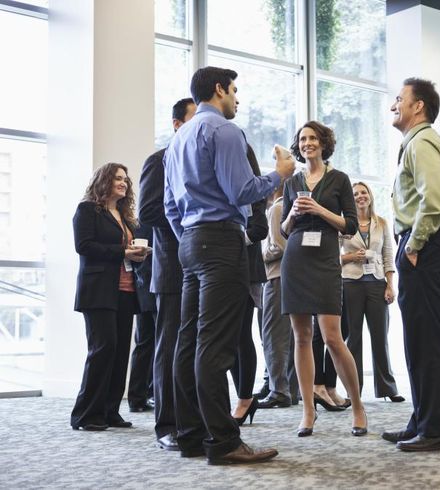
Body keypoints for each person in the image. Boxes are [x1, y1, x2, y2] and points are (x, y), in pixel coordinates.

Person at [164, 66, 295, 465]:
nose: (237, 99)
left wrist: (190, 236)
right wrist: (280, 174)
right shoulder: (224, 131)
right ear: (218, 90)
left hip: (190, 243)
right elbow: (241, 190)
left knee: (188, 341)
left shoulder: (177, 139)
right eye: (234, 90)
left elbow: (171, 207)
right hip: (221, 241)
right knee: (215, 344)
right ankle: (222, 441)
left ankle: (190, 435)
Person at [382, 77, 440, 452]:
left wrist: (413, 246)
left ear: (419, 106)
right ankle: (424, 418)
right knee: (419, 340)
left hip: (424, 247)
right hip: (426, 247)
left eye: (400, 99)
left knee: (428, 341)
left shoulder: (423, 141)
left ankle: (438, 428)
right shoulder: (417, 143)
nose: (393, 104)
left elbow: (435, 201)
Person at [280, 120, 367, 437]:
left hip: (326, 259)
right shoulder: (291, 182)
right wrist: (292, 214)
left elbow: (350, 226)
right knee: (301, 337)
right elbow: (284, 230)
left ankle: (357, 407)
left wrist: (318, 209)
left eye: (313, 138)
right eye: (302, 139)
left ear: (323, 143)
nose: (307, 143)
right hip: (296, 260)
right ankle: (308, 411)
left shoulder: (340, 179)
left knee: (332, 337)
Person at [70, 162, 148, 431]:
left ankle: (109, 411)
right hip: (99, 291)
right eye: (117, 178)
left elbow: (124, 251)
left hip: (126, 291)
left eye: (126, 179)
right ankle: (85, 415)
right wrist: (123, 252)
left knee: (119, 353)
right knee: (102, 350)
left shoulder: (125, 217)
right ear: (104, 181)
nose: (123, 183)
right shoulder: (88, 210)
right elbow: (84, 246)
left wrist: (137, 255)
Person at [139, 96, 196, 450]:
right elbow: (148, 212)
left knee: (195, 348)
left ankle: (195, 421)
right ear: (177, 125)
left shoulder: (201, 162)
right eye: (194, 121)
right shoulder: (159, 160)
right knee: (170, 346)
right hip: (172, 268)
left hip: (204, 267)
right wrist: (194, 224)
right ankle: (167, 426)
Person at [341, 181, 403, 402]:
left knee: (380, 336)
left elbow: (388, 256)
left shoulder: (382, 223)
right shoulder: (344, 224)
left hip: (377, 282)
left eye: (363, 192)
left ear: (370, 196)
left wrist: (390, 284)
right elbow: (332, 256)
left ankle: (388, 388)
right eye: (355, 193)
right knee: (353, 338)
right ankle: (353, 390)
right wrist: (350, 257)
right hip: (351, 283)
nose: (360, 196)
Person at [229, 144, 269, 425]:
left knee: (242, 335)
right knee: (227, 338)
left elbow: (260, 229)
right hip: (222, 270)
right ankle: (241, 396)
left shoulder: (253, 189)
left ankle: (245, 397)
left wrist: (233, 239)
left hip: (247, 270)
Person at [258, 183, 299, 408]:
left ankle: (279, 391)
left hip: (277, 276)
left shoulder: (277, 209)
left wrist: (258, 254)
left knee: (273, 336)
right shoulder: (292, 208)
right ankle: (290, 389)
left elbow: (281, 246)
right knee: (291, 337)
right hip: (293, 278)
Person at [127, 222, 156, 413]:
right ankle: (138, 397)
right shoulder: (144, 224)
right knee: (146, 342)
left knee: (150, 343)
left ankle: (146, 394)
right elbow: (140, 262)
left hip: (153, 286)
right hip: (148, 287)